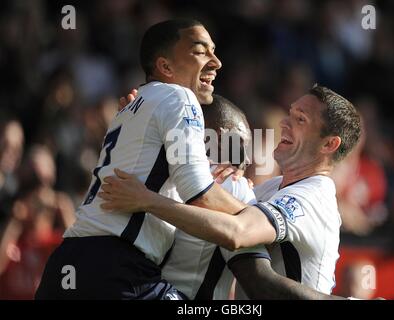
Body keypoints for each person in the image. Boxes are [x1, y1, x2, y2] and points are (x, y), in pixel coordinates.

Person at [35, 19, 250, 300]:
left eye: (214, 50)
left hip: (68, 261)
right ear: (166, 67)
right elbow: (198, 193)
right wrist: (255, 216)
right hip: (116, 271)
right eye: (200, 51)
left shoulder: (131, 107)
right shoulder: (180, 96)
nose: (217, 62)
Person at [99, 84, 362, 298]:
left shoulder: (311, 198)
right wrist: (142, 124)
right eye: (290, 113)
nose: (284, 122)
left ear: (329, 144)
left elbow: (238, 232)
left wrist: (147, 200)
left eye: (300, 119)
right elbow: (227, 208)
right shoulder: (271, 188)